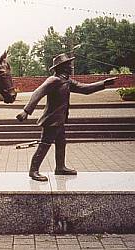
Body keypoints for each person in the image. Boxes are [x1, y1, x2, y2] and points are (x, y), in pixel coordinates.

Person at [16, 53, 117, 181]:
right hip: (52, 120)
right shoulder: (54, 80)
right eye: (69, 64)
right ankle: (33, 170)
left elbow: (85, 89)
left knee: (61, 143)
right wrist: (26, 111)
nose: (71, 67)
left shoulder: (66, 81)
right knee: (45, 144)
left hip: (60, 120)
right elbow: (37, 93)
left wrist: (103, 84)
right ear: (62, 67)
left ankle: (60, 167)